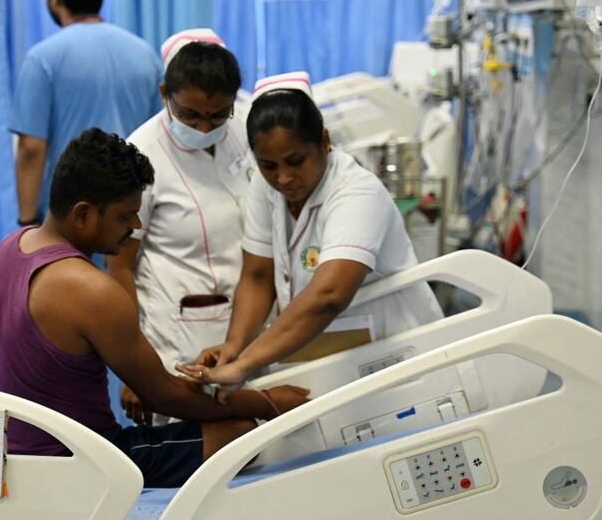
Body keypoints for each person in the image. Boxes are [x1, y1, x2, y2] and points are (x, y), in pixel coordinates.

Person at [0, 128, 308, 488]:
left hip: (2, 456)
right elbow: (163, 396)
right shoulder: (90, 289)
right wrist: (266, 402)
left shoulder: (12, 246)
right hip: (74, 467)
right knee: (239, 431)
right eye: (125, 216)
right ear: (83, 214)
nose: (135, 226)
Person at [179, 72, 443, 391]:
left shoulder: (357, 192)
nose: (283, 178)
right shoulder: (266, 187)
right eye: (269, 165)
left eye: (295, 161)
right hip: (328, 356)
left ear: (324, 141)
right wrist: (234, 348)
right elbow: (258, 277)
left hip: (398, 355)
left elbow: (329, 295)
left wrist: (245, 364)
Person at [106, 29, 252, 425]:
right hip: (176, 337)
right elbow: (120, 266)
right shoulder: (142, 154)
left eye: (217, 115)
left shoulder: (245, 133)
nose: (204, 128)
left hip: (252, 327)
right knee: (194, 447)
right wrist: (135, 367)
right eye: (189, 115)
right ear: (164, 94)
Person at [11, 0, 162, 228]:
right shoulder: (145, 54)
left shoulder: (43, 58)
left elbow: (31, 148)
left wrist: (27, 222)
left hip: (72, 215)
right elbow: (160, 136)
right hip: (132, 212)